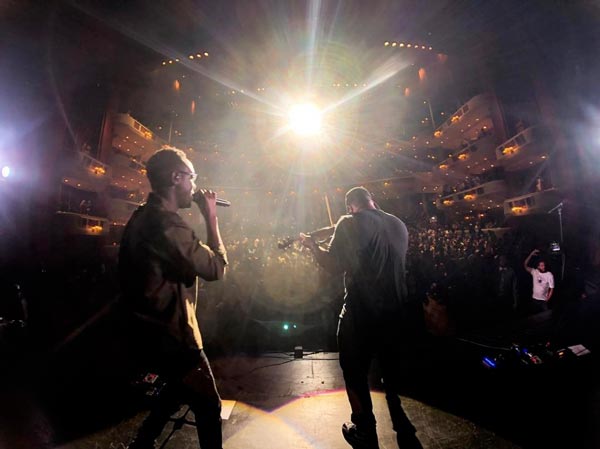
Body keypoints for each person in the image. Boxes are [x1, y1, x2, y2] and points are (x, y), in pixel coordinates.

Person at [119, 146, 228, 449]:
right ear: (175, 177)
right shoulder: (168, 224)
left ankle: (141, 444)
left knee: (177, 392)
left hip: (147, 331)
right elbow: (216, 269)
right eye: (191, 178)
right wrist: (211, 218)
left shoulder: (140, 217)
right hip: (173, 336)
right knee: (208, 406)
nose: (194, 186)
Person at [300, 186, 423, 449]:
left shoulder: (349, 222)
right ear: (372, 200)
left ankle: (365, 430)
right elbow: (369, 240)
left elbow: (332, 265)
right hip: (397, 313)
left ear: (350, 207)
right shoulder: (398, 224)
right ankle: (399, 418)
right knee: (389, 369)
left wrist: (312, 245)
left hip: (362, 314)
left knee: (353, 370)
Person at [523, 249, 554, 314]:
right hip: (534, 299)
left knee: (546, 317)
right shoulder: (534, 272)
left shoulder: (549, 274)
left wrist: (547, 299)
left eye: (544, 265)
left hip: (543, 301)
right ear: (538, 266)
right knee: (534, 318)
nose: (544, 267)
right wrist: (531, 254)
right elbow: (525, 265)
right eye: (542, 266)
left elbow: (551, 289)